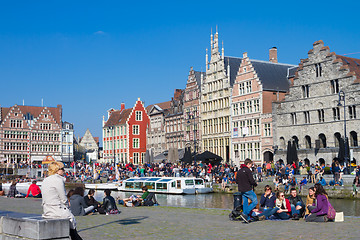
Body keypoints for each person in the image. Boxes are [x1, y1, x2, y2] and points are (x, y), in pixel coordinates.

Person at [42, 161, 82, 240]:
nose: (64, 171)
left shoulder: (45, 180)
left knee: (72, 229)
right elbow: (63, 198)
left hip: (47, 210)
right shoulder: (58, 180)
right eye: (62, 169)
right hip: (56, 210)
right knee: (71, 221)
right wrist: (68, 208)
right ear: (57, 170)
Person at [235, 158, 258, 223]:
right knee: (255, 201)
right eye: (251, 164)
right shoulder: (248, 171)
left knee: (245, 203)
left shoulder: (239, 171)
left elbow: (236, 181)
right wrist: (255, 184)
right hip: (248, 189)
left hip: (241, 189)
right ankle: (245, 213)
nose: (251, 166)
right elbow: (251, 180)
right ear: (248, 164)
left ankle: (246, 218)